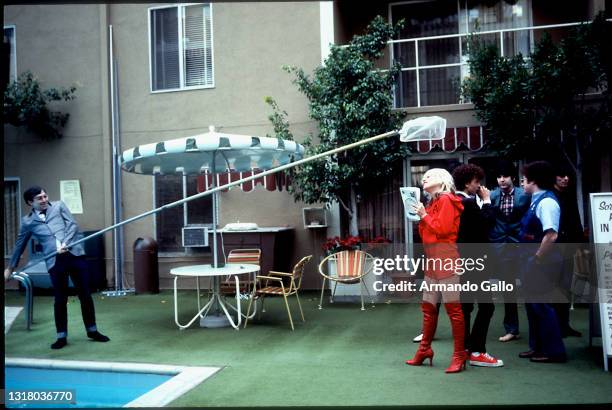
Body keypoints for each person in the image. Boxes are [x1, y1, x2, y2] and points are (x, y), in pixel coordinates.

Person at [4, 186, 110, 349]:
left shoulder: (59, 206)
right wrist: (10, 268)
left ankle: (92, 331)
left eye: (45, 196)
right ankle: (61, 336)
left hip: (74, 255)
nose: (44, 199)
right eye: (39, 198)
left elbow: (73, 225)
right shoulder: (27, 222)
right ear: (30, 202)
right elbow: (20, 244)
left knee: (85, 294)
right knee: (60, 299)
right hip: (54, 261)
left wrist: (66, 243)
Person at [406, 168, 466, 373]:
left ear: (442, 180)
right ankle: (424, 350)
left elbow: (443, 230)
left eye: (429, 176)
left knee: (453, 311)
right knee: (428, 309)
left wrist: (424, 215)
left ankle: (459, 355)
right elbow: (428, 233)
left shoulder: (448, 199)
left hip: (446, 261)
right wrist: (422, 215)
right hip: (433, 261)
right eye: (424, 176)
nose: (424, 178)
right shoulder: (433, 203)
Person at [452, 164, 503, 367]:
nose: (479, 186)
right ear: (467, 183)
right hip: (476, 261)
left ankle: (464, 349)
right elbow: (487, 225)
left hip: (461, 261)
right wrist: (488, 201)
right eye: (476, 182)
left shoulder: (452, 200)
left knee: (465, 306)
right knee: (486, 306)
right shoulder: (469, 202)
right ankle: (477, 351)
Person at [518, 161, 567, 363]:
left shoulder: (547, 203)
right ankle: (537, 347)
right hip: (533, 260)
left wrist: (536, 259)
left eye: (524, 178)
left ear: (533, 181)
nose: (522, 182)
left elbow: (551, 236)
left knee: (542, 306)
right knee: (533, 305)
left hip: (542, 262)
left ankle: (554, 351)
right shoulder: (536, 200)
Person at [487, 160, 530, 343]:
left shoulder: (524, 195)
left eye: (505, 176)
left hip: (521, 245)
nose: (502, 180)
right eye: (499, 177)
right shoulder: (492, 195)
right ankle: (512, 329)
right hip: (501, 246)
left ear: (513, 177)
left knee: (531, 287)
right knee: (508, 288)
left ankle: (538, 328)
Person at [552, 164, 585, 337]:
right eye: (561, 175)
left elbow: (576, 219)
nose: (565, 178)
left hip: (568, 246)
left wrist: (580, 244)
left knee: (565, 286)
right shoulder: (549, 196)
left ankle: (564, 325)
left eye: (567, 176)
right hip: (553, 246)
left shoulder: (569, 195)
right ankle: (555, 326)